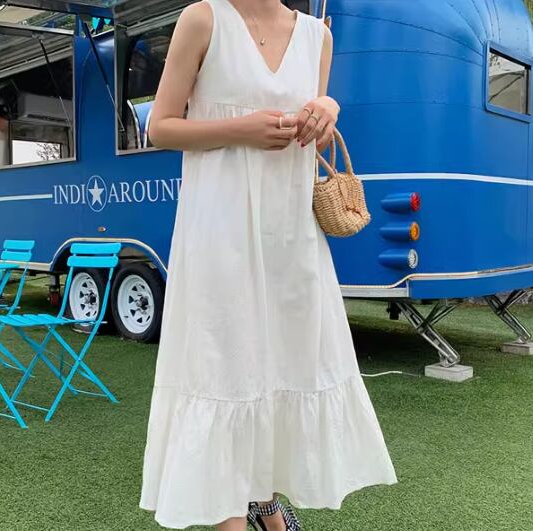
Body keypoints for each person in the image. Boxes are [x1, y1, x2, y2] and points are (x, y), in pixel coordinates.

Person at [139, 1, 398, 529]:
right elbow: (159, 128)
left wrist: (325, 110)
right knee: (225, 365)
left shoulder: (318, 36)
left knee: (285, 363)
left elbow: (313, 133)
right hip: (220, 230)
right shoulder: (203, 18)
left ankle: (264, 501)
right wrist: (240, 129)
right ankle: (236, 513)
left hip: (290, 235)